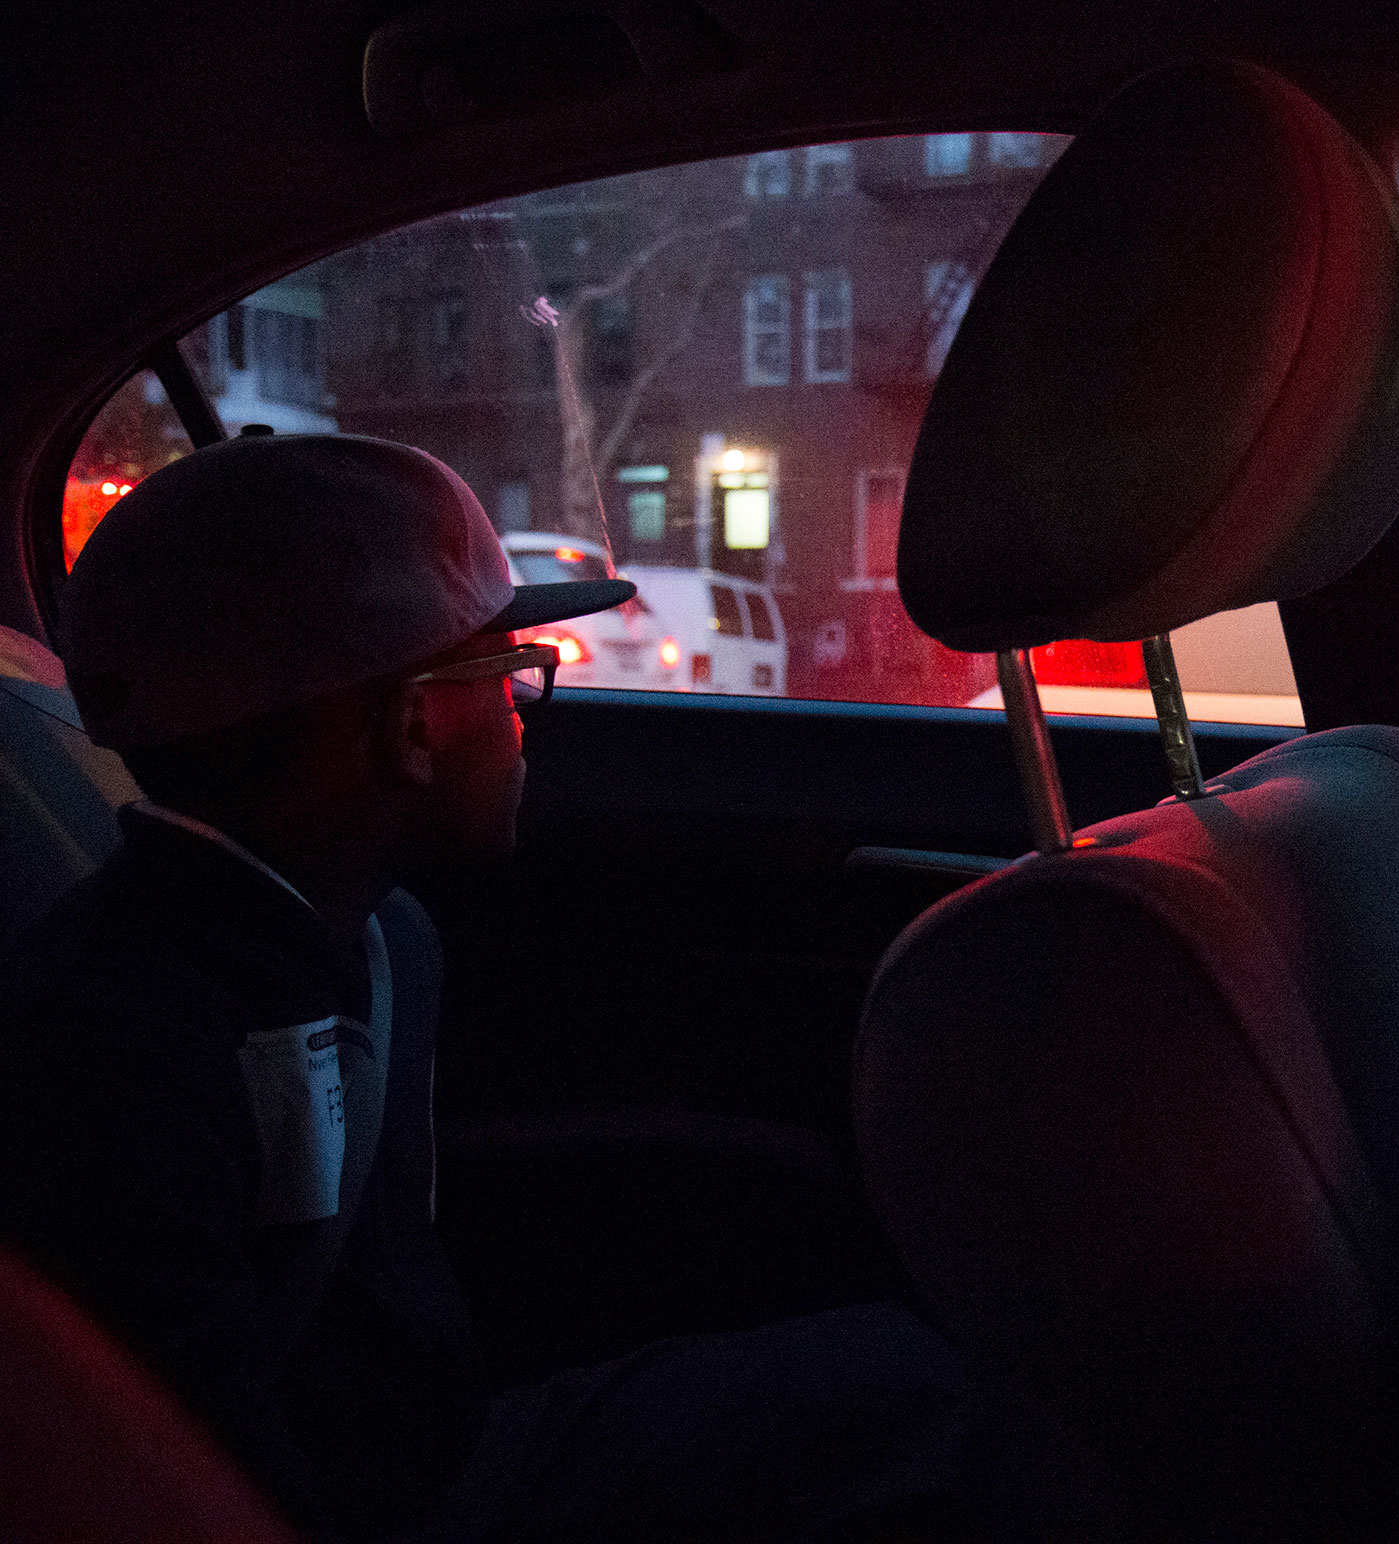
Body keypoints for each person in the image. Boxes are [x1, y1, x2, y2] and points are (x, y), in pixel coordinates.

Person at [0, 433, 966, 1540]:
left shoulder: (381, 935)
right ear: (414, 725)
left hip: (434, 1455)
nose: (524, 717)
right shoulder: (105, 1054)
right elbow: (175, 1480)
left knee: (907, 1380)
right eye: (512, 675)